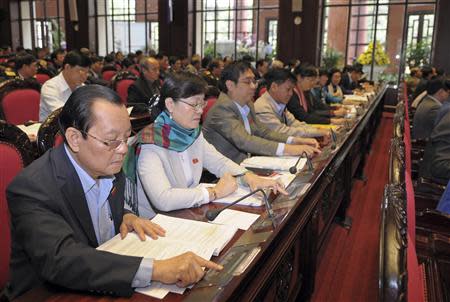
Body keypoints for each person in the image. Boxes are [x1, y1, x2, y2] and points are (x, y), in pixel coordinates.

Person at [5, 85, 222, 300]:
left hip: (102, 279)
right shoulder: (33, 187)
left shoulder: (108, 163)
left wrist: (125, 214)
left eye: (126, 137)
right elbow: (62, 259)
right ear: (74, 138)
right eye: (111, 141)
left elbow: (103, 204)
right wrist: (156, 270)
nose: (123, 149)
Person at [123, 72, 287, 216]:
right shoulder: (151, 142)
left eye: (202, 104)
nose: (200, 111)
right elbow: (163, 199)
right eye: (194, 104)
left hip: (187, 213)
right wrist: (214, 192)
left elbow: (219, 162)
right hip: (157, 224)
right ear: (170, 104)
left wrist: (249, 177)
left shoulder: (192, 133)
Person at [202, 61, 321, 164]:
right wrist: (291, 149)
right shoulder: (222, 109)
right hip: (221, 176)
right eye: (247, 82)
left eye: (254, 81)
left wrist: (296, 141)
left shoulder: (247, 104)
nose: (253, 86)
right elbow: (245, 141)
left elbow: (262, 132)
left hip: (245, 165)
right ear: (230, 85)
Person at [254, 68, 331, 140]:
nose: (291, 94)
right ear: (274, 87)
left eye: (292, 90)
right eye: (288, 89)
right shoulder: (262, 108)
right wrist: (316, 132)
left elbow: (294, 123)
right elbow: (283, 132)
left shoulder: (280, 104)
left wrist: (317, 131)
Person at [39, 51, 91, 121]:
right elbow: (63, 114)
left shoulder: (82, 87)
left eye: (87, 72)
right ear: (67, 67)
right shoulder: (50, 87)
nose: (85, 76)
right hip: (52, 130)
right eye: (81, 71)